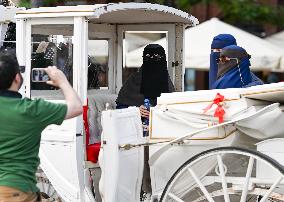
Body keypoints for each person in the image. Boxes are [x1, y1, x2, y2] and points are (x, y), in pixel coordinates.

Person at [0, 50, 82, 202]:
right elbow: (76, 107)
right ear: (17, 78)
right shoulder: (31, 109)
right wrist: (62, 81)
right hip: (17, 190)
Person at [115, 44, 174, 200]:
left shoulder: (166, 83)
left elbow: (172, 106)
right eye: (149, 57)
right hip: (135, 133)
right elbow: (120, 108)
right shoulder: (132, 82)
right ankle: (143, 192)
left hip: (161, 133)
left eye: (157, 58)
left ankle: (160, 191)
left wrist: (157, 111)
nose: (153, 61)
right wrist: (135, 110)